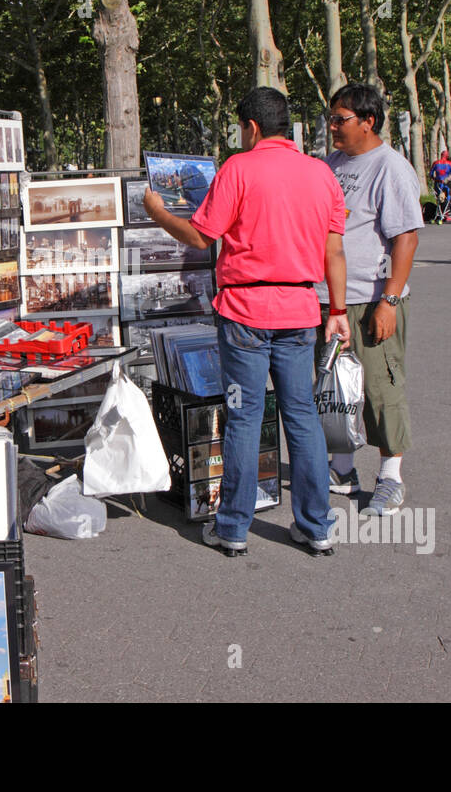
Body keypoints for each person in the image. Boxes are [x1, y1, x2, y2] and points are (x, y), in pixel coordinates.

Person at [143, 86, 350, 556]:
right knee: (302, 417)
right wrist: (337, 312)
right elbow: (334, 251)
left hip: (244, 314)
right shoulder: (321, 174)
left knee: (243, 417)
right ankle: (315, 526)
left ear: (251, 127)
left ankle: (233, 527)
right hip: (302, 312)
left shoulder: (238, 168)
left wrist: (158, 212)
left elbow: (200, 236)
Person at [317, 83, 423, 517]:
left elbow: (406, 238)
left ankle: (391, 479)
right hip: (331, 300)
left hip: (371, 298)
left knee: (382, 390)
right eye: (331, 119)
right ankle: (342, 469)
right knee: (334, 391)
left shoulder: (390, 168)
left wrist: (390, 301)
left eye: (340, 120)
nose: (332, 127)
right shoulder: (331, 164)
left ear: (368, 121)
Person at [430, 151, 451, 224]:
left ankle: (438, 214)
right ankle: (445, 215)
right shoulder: (450, 164)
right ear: (447, 156)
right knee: (447, 198)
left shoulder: (436, 163)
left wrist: (435, 179)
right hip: (446, 184)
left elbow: (431, 174)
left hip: (438, 183)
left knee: (439, 198)